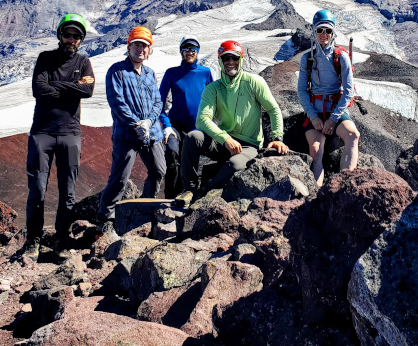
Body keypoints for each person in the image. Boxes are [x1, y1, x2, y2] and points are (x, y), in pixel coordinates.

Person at [176, 39, 289, 206]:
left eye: (234, 58)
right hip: (223, 142)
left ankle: (204, 193)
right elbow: (201, 120)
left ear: (241, 60)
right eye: (226, 58)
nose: (230, 62)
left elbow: (273, 109)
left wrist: (277, 138)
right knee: (193, 137)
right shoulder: (213, 89)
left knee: (235, 165)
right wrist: (225, 138)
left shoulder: (253, 82)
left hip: (249, 145)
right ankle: (189, 189)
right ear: (220, 60)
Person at [26, 13, 95, 259]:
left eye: (77, 36)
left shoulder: (84, 62)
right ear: (60, 35)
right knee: (37, 189)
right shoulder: (45, 58)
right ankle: (32, 240)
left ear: (81, 39)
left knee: (68, 192)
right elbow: (38, 89)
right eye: (68, 34)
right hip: (42, 133)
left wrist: (56, 86)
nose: (71, 39)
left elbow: (87, 91)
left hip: (70, 133)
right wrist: (72, 86)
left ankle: (61, 238)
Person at [97, 26, 166, 233]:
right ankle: (105, 219)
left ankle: (146, 208)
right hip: (127, 135)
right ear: (129, 47)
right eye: (137, 45)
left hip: (151, 133)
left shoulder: (150, 73)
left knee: (158, 170)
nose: (141, 49)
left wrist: (150, 122)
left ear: (149, 50)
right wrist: (136, 124)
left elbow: (157, 101)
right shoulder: (117, 71)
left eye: (145, 46)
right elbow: (116, 102)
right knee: (119, 178)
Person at [297, 9, 360, 186]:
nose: (324, 35)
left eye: (328, 31)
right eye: (320, 30)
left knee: (353, 135)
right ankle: (316, 195)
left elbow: (348, 91)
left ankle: (344, 185)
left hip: (335, 110)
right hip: (315, 110)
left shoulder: (342, 57)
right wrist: (313, 117)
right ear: (314, 32)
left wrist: (332, 120)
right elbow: (302, 91)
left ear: (333, 33)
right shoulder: (307, 59)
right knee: (316, 149)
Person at [158, 36, 213, 199]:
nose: (190, 52)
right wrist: (166, 125)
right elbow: (158, 103)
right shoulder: (171, 73)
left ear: (198, 51)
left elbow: (214, 99)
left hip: (198, 128)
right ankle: (170, 199)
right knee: (173, 153)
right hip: (175, 126)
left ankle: (189, 197)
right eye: (186, 48)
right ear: (181, 51)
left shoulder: (205, 73)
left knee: (192, 163)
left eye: (193, 49)